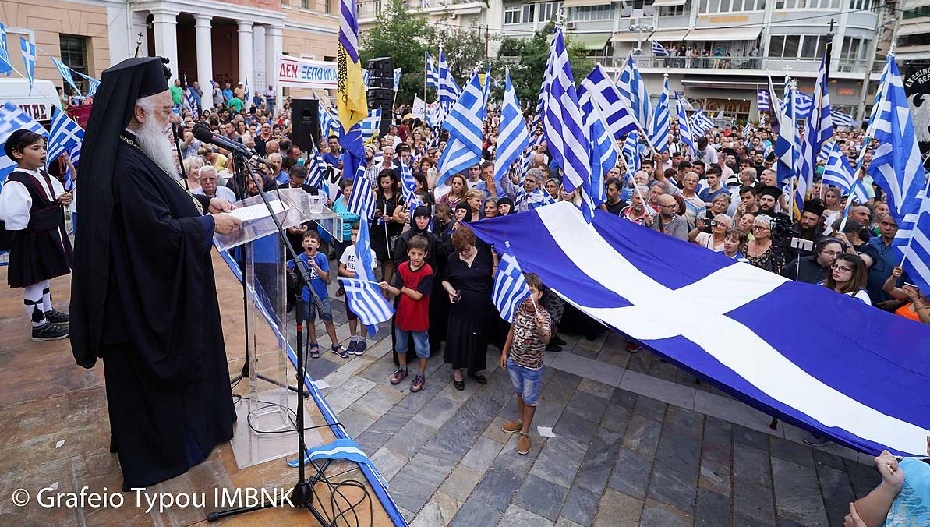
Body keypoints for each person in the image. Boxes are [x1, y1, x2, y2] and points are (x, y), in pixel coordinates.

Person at [69, 57, 241, 491]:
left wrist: (203, 206)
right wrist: (207, 226)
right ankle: (166, 452)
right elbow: (156, 234)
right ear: (139, 112)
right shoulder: (124, 165)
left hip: (142, 291)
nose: (172, 119)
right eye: (165, 110)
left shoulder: (132, 148)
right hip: (140, 303)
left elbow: (163, 206)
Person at [0, 129, 73, 340]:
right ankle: (39, 325)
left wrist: (62, 199)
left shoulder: (41, 175)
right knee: (35, 281)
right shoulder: (16, 182)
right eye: (35, 148)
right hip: (31, 239)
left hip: (46, 235)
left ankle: (47, 310)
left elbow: (51, 194)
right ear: (17, 153)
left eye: (43, 147)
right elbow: (13, 216)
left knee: (44, 277)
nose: (42, 152)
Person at [499, 273, 551, 456]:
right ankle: (520, 422)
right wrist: (505, 352)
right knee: (520, 393)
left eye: (532, 292)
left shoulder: (543, 316)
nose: (528, 297)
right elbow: (512, 331)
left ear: (540, 294)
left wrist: (540, 327)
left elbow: (546, 338)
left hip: (531, 368)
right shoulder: (518, 308)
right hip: (514, 361)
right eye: (525, 293)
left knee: (530, 400)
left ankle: (525, 433)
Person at [441, 224, 494, 391]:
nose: (464, 253)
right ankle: (457, 372)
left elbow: (492, 276)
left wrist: (495, 260)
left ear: (473, 243)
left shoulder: (484, 255)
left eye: (466, 250)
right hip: (460, 308)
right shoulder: (452, 258)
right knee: (459, 340)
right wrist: (450, 290)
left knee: (479, 340)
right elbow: (444, 279)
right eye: (460, 250)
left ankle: (476, 368)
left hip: (481, 307)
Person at [381, 235, 434, 392]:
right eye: (413, 253)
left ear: (425, 254)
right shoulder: (402, 267)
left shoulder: (427, 271)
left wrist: (403, 289)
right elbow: (397, 290)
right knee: (400, 346)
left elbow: (418, 295)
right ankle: (403, 369)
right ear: (408, 252)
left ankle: (420, 375)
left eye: (420, 254)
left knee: (422, 348)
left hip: (418, 318)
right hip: (402, 316)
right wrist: (387, 286)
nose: (416, 257)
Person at [289, 230, 347, 359]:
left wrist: (315, 267)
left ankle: (335, 344)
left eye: (313, 241)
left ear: (318, 245)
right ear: (303, 244)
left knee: (328, 320)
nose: (310, 243)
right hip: (306, 296)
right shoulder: (300, 258)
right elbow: (288, 266)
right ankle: (313, 343)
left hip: (321, 296)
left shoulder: (321, 257)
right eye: (307, 241)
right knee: (310, 320)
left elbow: (325, 276)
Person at [338, 224, 377, 355]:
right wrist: (350, 275)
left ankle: (362, 339)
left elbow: (371, 272)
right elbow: (341, 267)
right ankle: (353, 337)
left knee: (363, 314)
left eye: (356, 235)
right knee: (351, 314)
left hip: (363, 289)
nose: (353, 238)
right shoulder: (348, 250)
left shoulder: (370, 253)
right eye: (352, 234)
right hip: (350, 288)